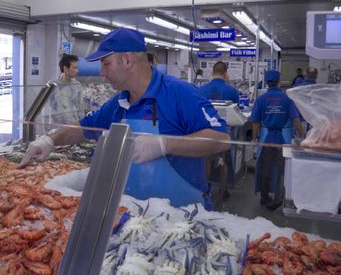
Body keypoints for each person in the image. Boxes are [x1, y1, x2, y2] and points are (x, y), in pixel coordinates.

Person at [19, 28, 230, 210]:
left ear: (127, 60)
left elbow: (221, 138)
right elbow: (84, 128)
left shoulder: (179, 93)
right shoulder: (119, 102)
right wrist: (49, 140)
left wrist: (165, 144)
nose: (101, 72)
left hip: (183, 215)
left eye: (106, 64)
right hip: (133, 215)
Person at [251, 70, 304, 210]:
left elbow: (255, 122)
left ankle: (264, 197)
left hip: (267, 138)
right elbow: (296, 120)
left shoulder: (261, 99)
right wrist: (304, 136)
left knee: (265, 169)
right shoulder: (287, 99)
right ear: (279, 81)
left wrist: (254, 138)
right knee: (282, 170)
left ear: (267, 82)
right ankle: (278, 199)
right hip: (282, 139)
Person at [199, 61, 239, 200]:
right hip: (224, 131)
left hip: (206, 130)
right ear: (226, 74)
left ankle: (206, 191)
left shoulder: (201, 89)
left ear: (212, 72)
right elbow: (236, 111)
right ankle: (223, 191)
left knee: (207, 160)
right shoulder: (232, 91)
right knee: (224, 160)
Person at [41, 54, 84, 129]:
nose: (77, 71)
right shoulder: (51, 85)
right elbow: (45, 109)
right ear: (65, 68)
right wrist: (47, 128)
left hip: (73, 126)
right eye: (74, 68)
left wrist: (81, 126)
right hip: (55, 127)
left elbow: (80, 107)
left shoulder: (77, 85)